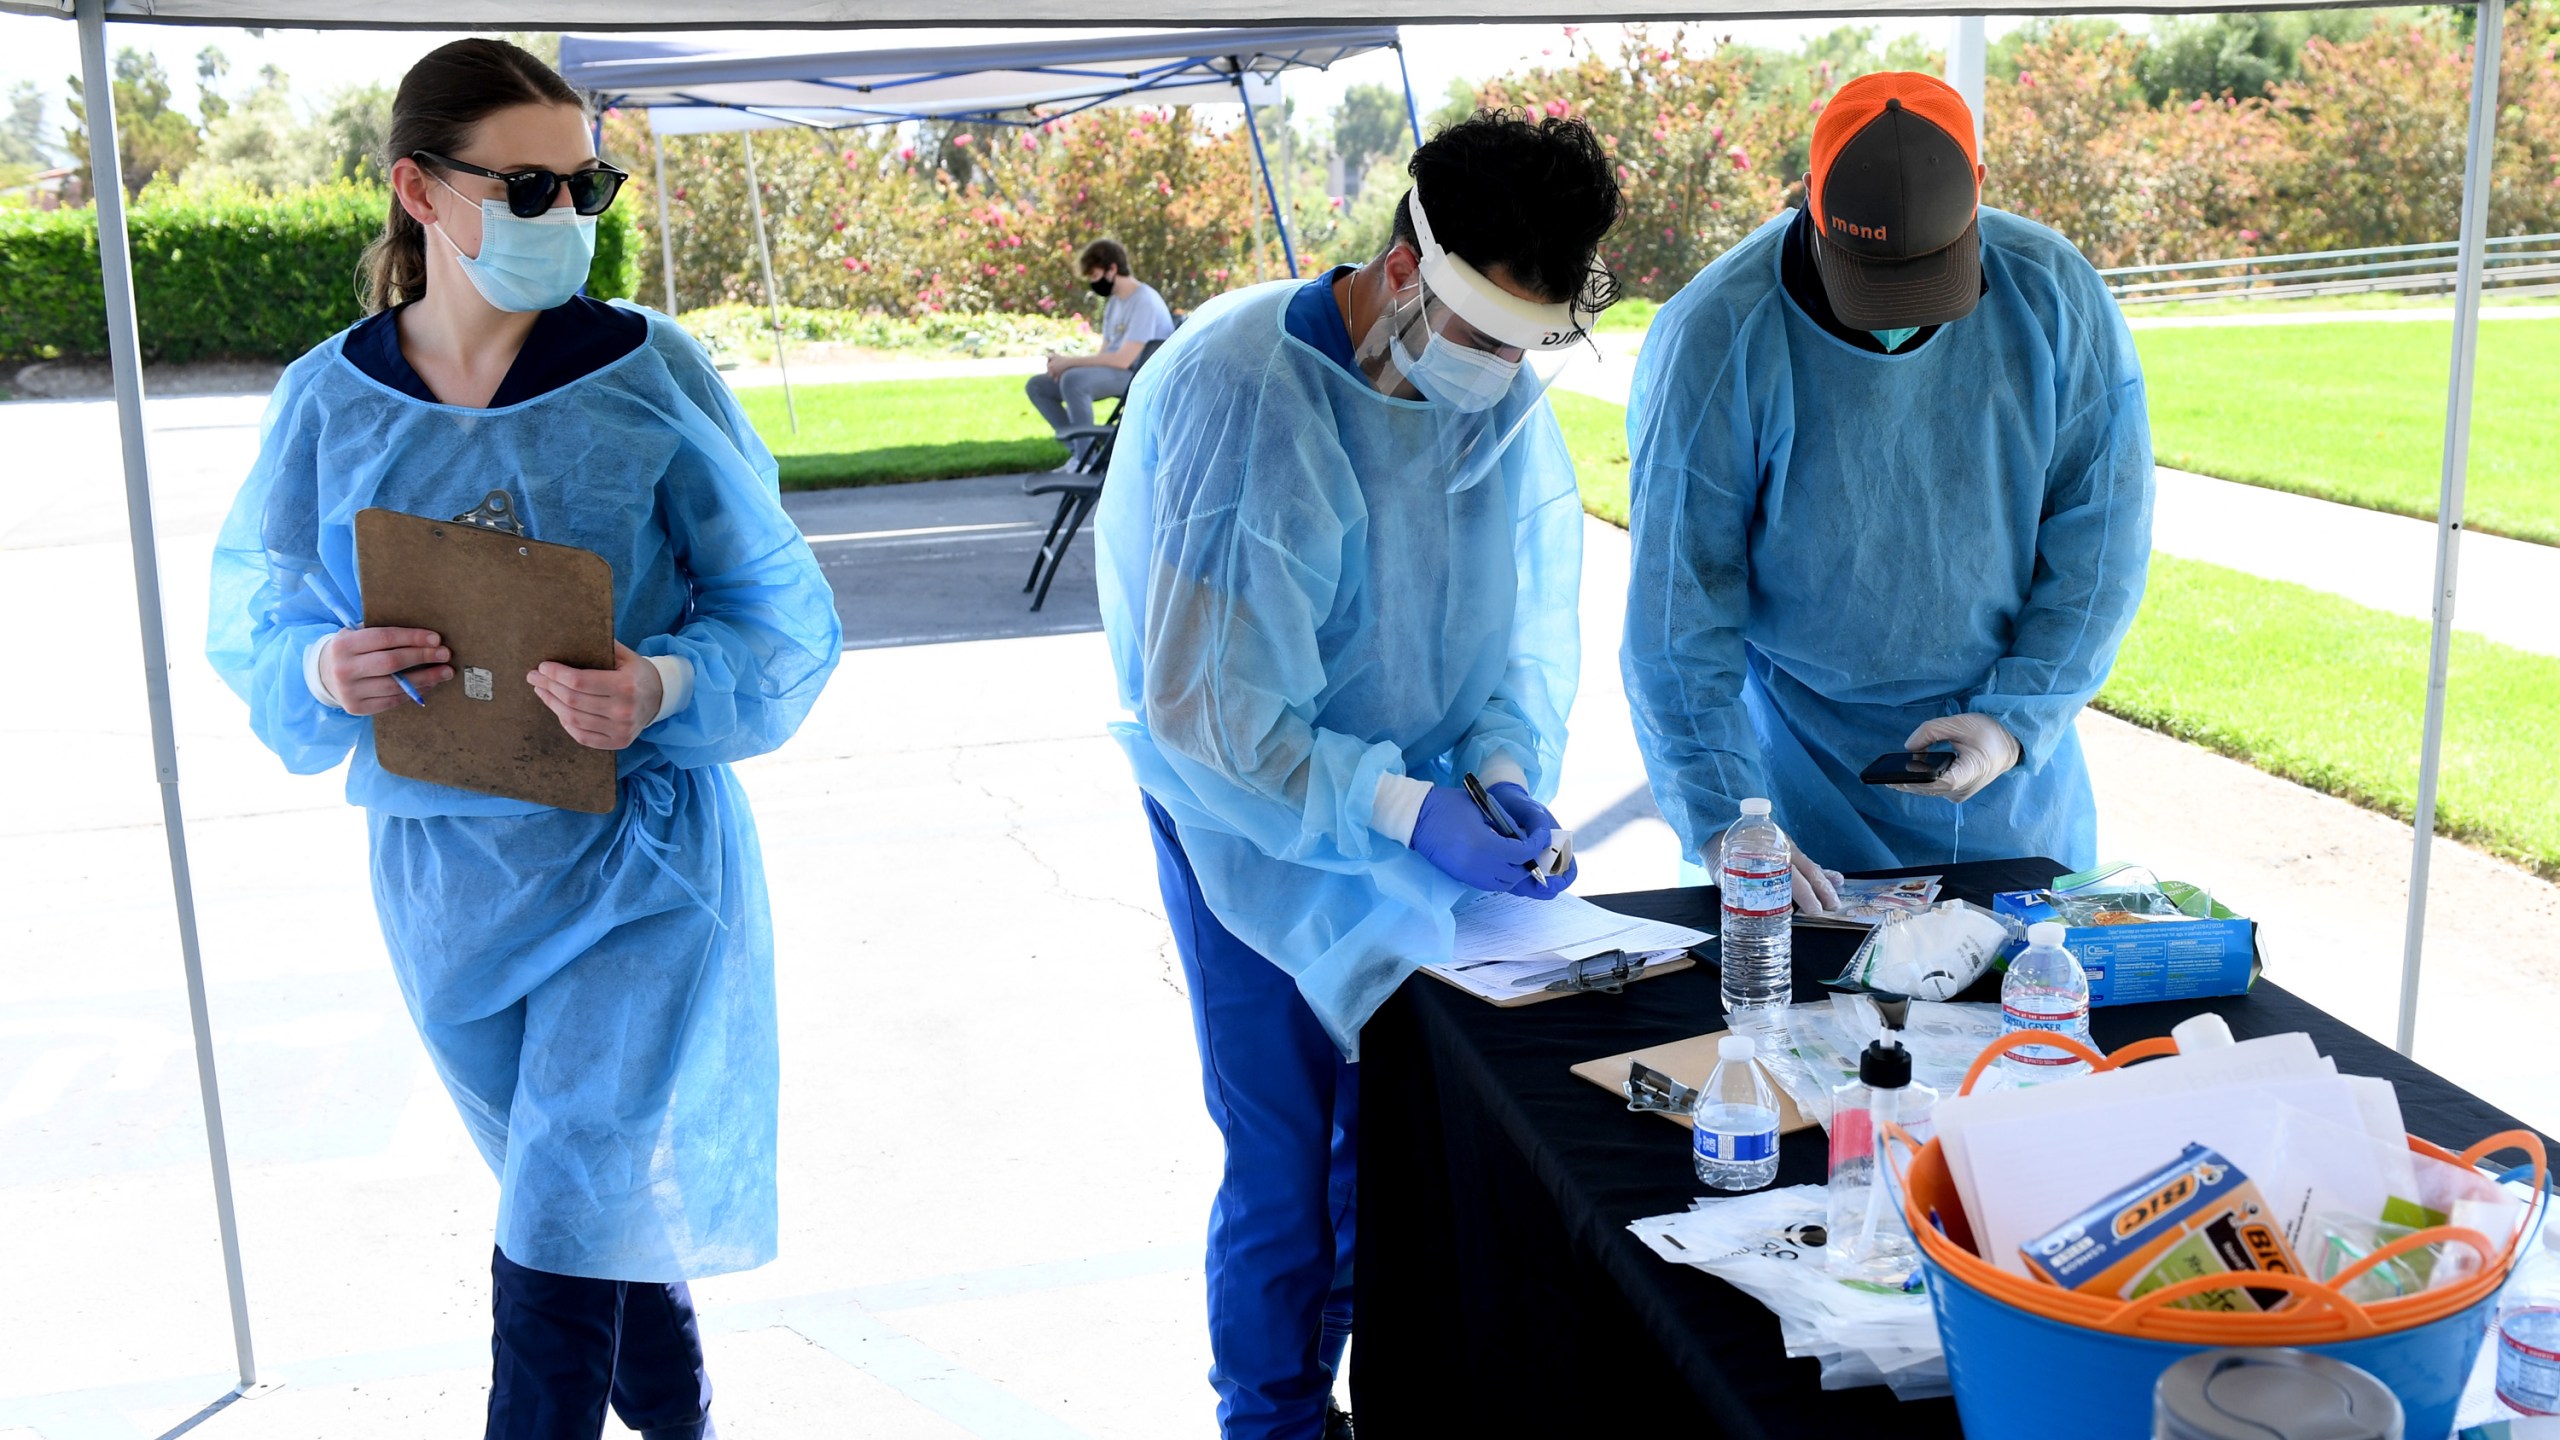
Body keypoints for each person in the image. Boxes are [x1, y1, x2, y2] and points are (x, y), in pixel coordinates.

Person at [204, 39, 841, 1440]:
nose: (575, 216)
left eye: (589, 182)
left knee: (563, 1194)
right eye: (535, 185)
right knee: (584, 1196)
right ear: (420, 191)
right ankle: (681, 1423)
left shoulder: (647, 372)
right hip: (447, 880)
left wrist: (664, 689)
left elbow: (782, 611)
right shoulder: (330, 396)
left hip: (639, 870)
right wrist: (323, 660)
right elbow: (253, 605)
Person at [1095, 111, 1622, 1440]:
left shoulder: (1483, 400)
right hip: (1247, 815)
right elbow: (1212, 714)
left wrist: (1497, 767)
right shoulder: (1242, 394)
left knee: (1392, 1138)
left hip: (1417, 809)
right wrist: (1400, 807)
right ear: (1405, 271)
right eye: (1485, 336)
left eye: (1528, 345)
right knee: (1284, 1149)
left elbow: (1507, 626)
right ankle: (1270, 1416)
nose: (1502, 372)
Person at [1622, 71, 2152, 900]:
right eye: (1870, 278)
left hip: (2008, 781)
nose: (1896, 317)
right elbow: (1678, 615)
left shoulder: (2053, 297)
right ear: (1808, 199)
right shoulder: (1717, 335)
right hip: (1800, 770)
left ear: (1977, 194)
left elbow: (2100, 547)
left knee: (2022, 1009)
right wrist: (1727, 820)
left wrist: (2012, 725)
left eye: (1928, 281)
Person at [1025, 238, 1177, 438]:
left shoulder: (1144, 301)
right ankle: (1081, 453)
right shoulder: (1114, 303)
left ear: (1112, 269)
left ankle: (1083, 459)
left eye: (1095, 275)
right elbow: (1105, 354)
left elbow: (1123, 361)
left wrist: (1069, 364)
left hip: (1139, 377)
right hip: (1117, 372)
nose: (1094, 283)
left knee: (1073, 380)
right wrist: (1064, 364)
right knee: (1038, 386)